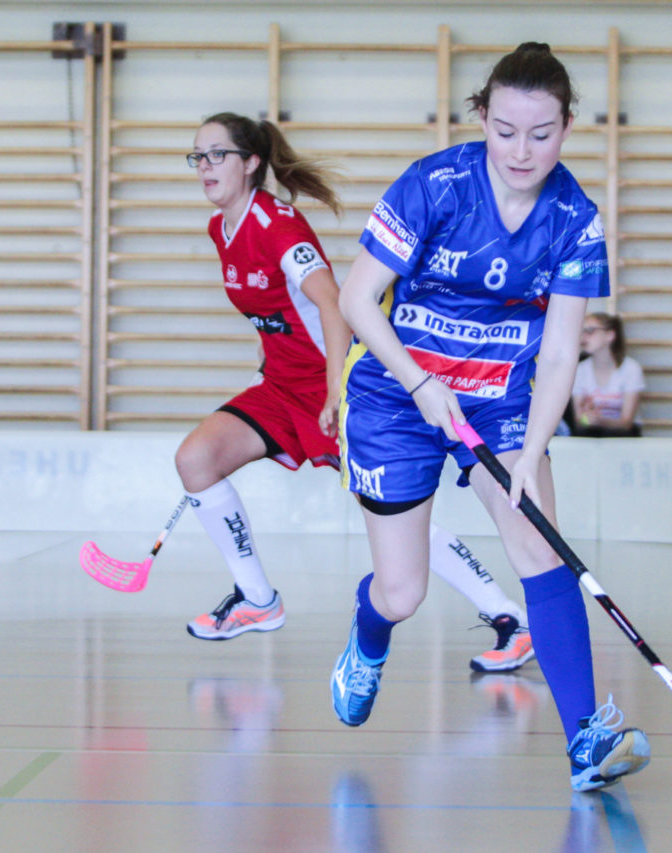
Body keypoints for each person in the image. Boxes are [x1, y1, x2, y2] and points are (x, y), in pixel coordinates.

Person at [330, 44, 651, 793]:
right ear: (483, 116)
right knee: (402, 591)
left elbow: (564, 348)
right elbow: (354, 301)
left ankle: (585, 742)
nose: (522, 150)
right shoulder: (434, 185)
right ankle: (368, 635)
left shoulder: (576, 218)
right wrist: (419, 382)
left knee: (540, 546)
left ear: (568, 126)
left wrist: (534, 449)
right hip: (396, 395)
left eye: (542, 133)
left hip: (502, 401)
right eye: (506, 130)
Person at [178, 112, 534, 672]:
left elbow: (332, 302)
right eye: (197, 156)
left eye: (216, 154)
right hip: (279, 385)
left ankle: (508, 617)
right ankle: (257, 600)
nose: (204, 167)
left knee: (396, 511)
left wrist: (335, 391)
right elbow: (275, 316)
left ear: (250, 163)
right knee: (196, 459)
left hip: (336, 383)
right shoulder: (220, 228)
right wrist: (266, 364)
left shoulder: (278, 226)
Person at [566, 312, 644, 437]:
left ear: (610, 335)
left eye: (590, 331)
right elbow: (579, 422)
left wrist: (601, 421)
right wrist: (588, 419)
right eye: (582, 332)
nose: (584, 337)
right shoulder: (580, 370)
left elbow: (627, 423)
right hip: (592, 435)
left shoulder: (631, 369)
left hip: (624, 436)